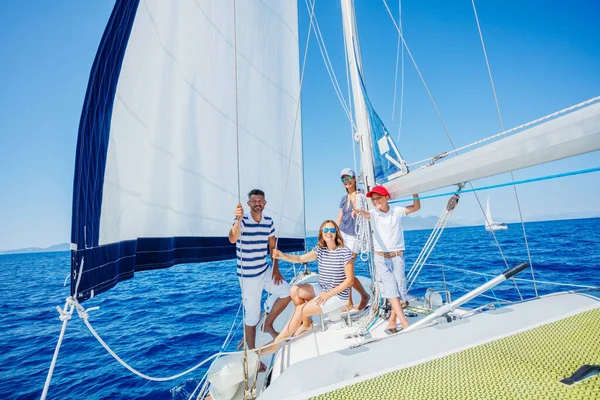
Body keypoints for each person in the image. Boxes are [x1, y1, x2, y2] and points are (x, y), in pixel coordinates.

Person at [262, 220, 354, 353]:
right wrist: (282, 256)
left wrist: (328, 294)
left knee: (299, 310)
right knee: (294, 290)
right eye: (325, 231)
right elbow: (300, 259)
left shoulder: (344, 252)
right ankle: (306, 323)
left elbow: (350, 281)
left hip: (337, 295)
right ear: (321, 234)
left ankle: (276, 344)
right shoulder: (320, 250)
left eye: (332, 230)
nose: (329, 233)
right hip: (323, 289)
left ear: (336, 233)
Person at [228, 189, 292, 353]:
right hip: (248, 276)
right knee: (252, 315)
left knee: (288, 292)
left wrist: (275, 269)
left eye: (260, 201)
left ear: (264, 203)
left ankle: (268, 324)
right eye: (254, 201)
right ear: (249, 204)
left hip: (264, 270)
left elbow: (273, 246)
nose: (257, 203)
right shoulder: (242, 220)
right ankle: (253, 353)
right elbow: (232, 238)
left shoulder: (268, 221)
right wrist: (238, 219)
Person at [352, 186, 420, 334]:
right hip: (381, 258)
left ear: (386, 197)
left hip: (397, 257)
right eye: (373, 199)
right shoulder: (373, 214)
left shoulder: (397, 211)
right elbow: (365, 214)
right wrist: (358, 211)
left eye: (378, 198)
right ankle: (405, 323)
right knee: (391, 289)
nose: (375, 201)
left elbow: (416, 207)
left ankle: (392, 323)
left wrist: (415, 190)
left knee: (399, 291)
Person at [336, 168, 370, 311]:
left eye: (349, 178)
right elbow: (340, 217)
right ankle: (349, 302)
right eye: (343, 179)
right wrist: (334, 232)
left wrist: (354, 197)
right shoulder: (343, 199)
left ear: (355, 179)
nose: (346, 181)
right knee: (343, 270)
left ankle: (362, 297)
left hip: (355, 236)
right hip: (343, 234)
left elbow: (362, 211)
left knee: (347, 270)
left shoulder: (362, 194)